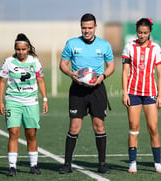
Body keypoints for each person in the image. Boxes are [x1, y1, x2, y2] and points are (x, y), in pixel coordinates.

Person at [59, 13, 114, 174]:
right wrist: (71, 74)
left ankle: (102, 164)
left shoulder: (104, 45)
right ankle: (67, 164)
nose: (87, 31)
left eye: (90, 28)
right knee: (74, 127)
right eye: (84, 28)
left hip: (97, 90)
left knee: (99, 126)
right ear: (81, 27)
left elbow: (111, 66)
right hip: (77, 90)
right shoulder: (72, 43)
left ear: (95, 27)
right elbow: (63, 64)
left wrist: (102, 76)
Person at [0, 33, 48, 176]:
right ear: (15, 49)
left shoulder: (35, 61)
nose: (20, 52)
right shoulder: (8, 62)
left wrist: (45, 99)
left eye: (23, 49)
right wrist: (0, 101)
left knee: (31, 134)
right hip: (13, 101)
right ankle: (12, 167)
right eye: (18, 49)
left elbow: (41, 80)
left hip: (31, 102)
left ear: (28, 49)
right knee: (13, 132)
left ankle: (34, 165)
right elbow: (2, 82)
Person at [122, 18, 161, 173]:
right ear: (136, 31)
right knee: (134, 127)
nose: (142, 35)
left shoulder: (155, 48)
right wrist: (125, 92)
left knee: (153, 128)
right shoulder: (129, 47)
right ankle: (132, 162)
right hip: (133, 93)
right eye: (140, 32)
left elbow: (160, 74)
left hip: (150, 94)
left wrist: (160, 95)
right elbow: (125, 72)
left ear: (150, 33)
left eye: (145, 33)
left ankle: (157, 163)